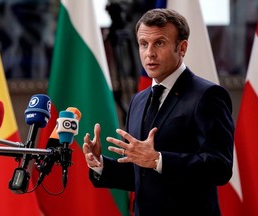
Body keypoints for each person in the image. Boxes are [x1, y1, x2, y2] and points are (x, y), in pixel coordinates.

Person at [83, 8, 234, 216]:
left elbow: (220, 168)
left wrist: (158, 160)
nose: (149, 53)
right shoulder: (138, 100)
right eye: (143, 44)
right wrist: (99, 164)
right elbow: (140, 175)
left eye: (159, 43)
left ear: (182, 48)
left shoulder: (208, 96)